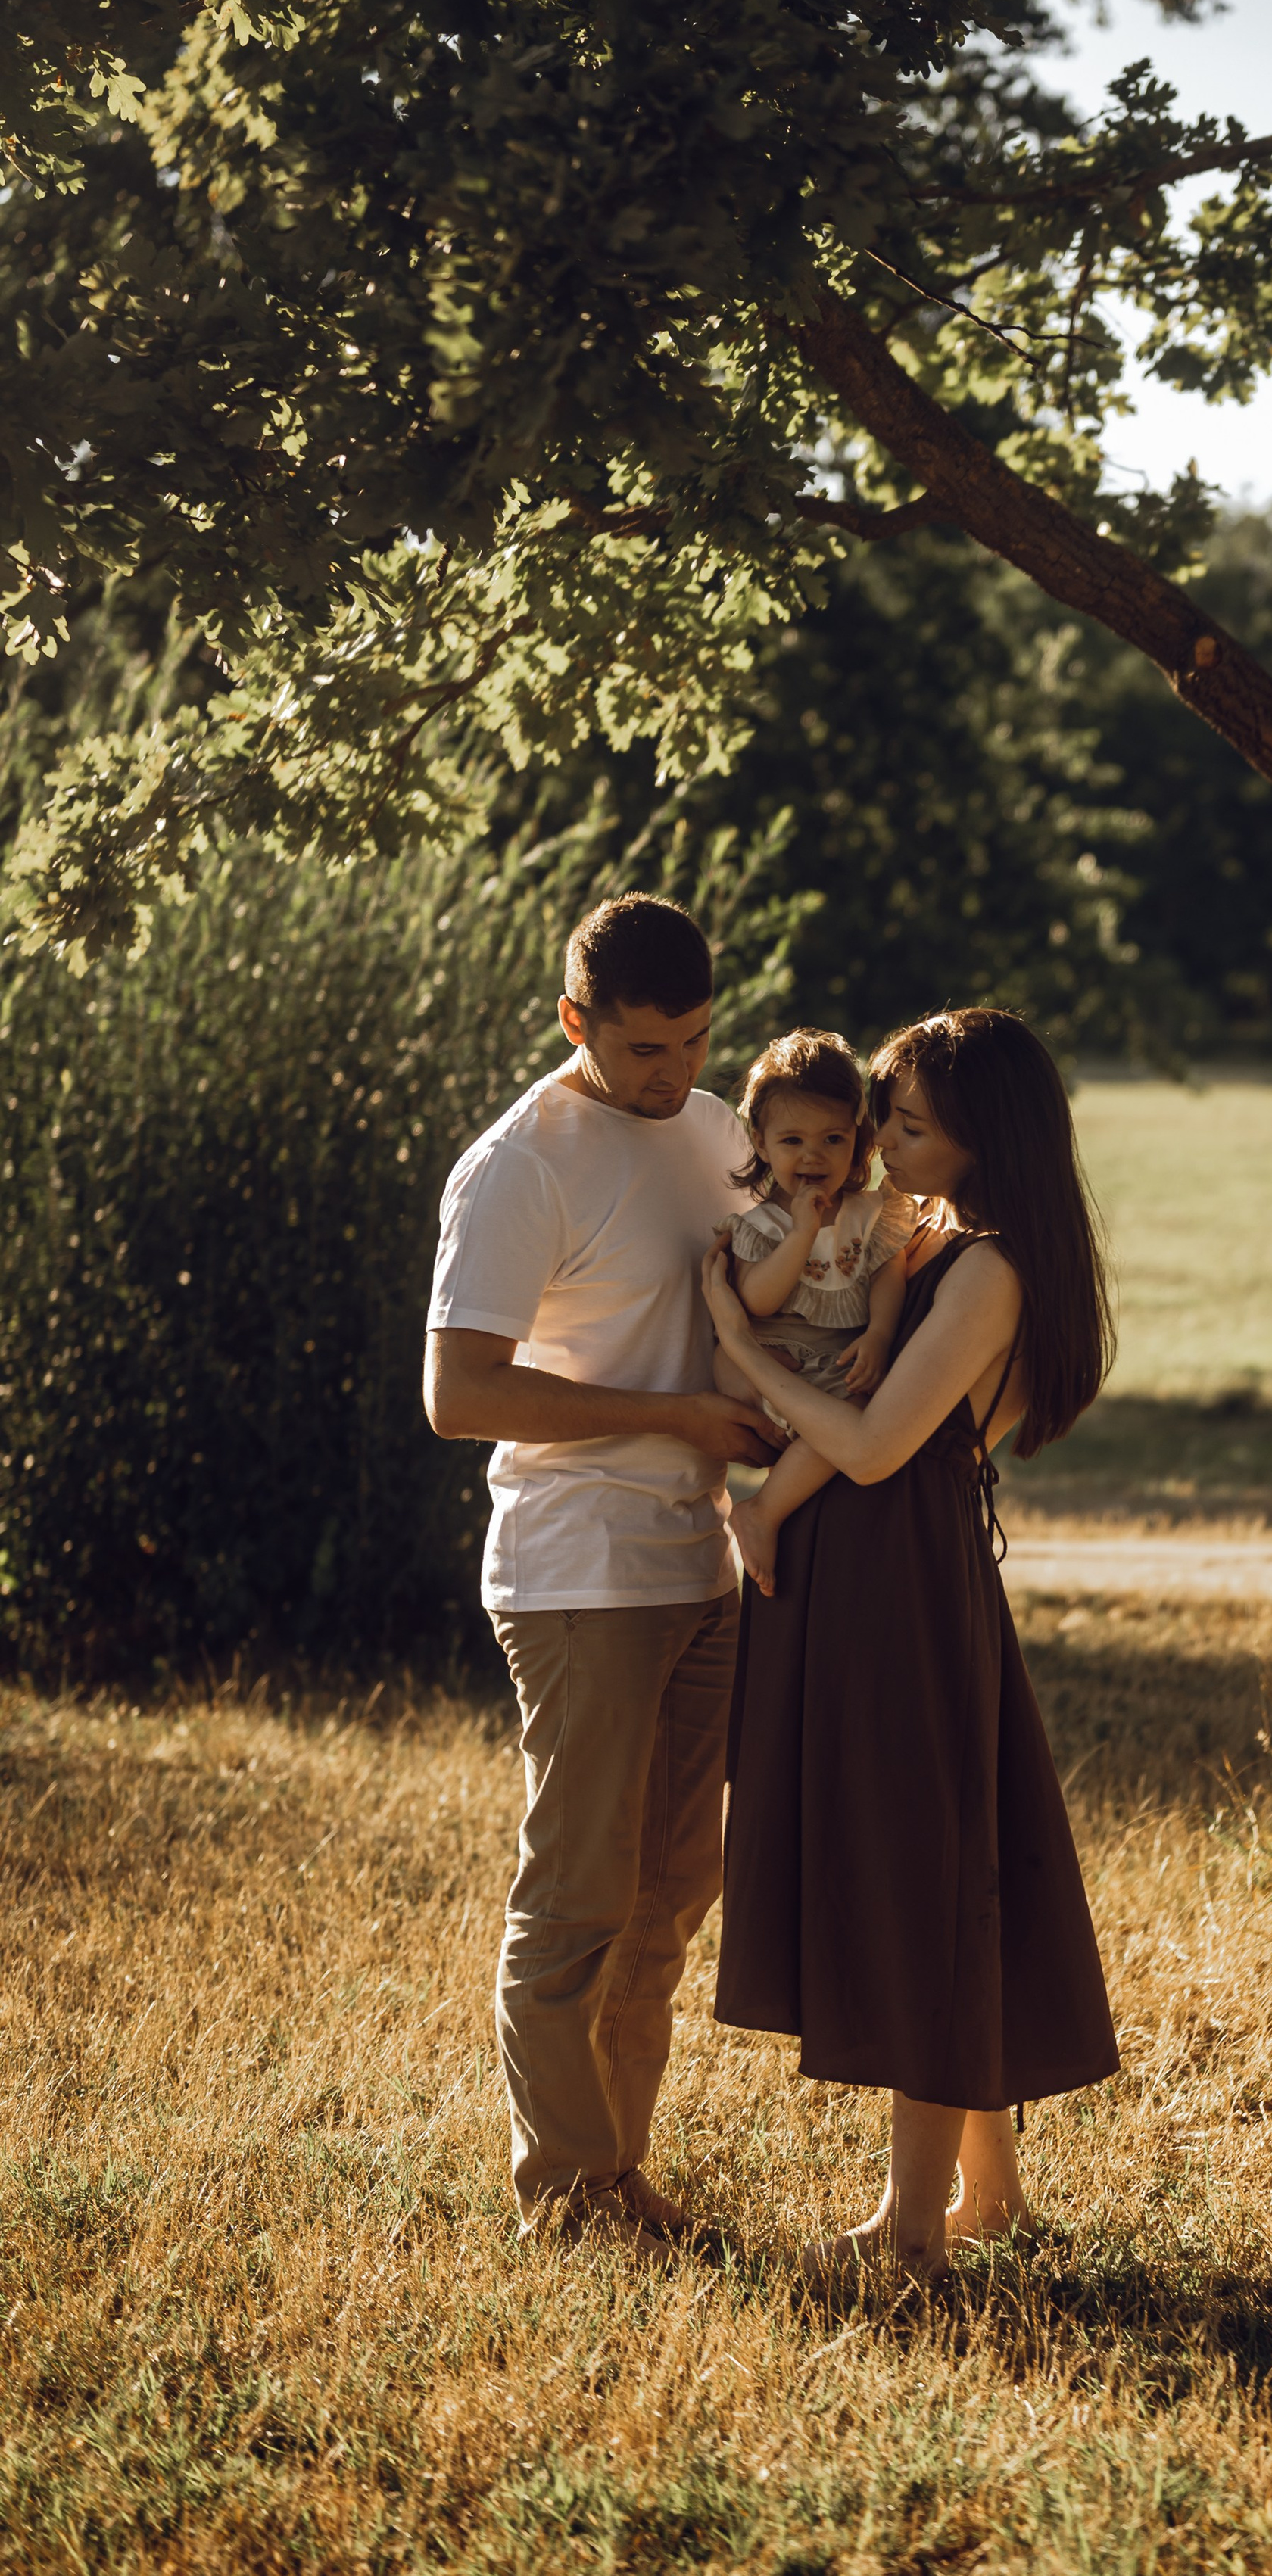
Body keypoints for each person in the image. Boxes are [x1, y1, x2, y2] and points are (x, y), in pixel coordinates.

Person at [702, 1006, 1121, 2283]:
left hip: (901, 1573)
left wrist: (735, 1352)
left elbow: (878, 1441)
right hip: (866, 1558)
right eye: (883, 1110)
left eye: (910, 1122)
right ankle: (987, 2186)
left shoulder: (988, 1270)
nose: (877, 1138)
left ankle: (910, 2222)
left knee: (922, 1877)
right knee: (948, 1857)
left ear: (984, 1141)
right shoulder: (933, 1239)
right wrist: (770, 1503)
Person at [422, 892, 781, 2249]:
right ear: (574, 1020)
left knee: (674, 1887)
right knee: (578, 1893)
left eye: (693, 1037)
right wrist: (677, 1418)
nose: (672, 1070)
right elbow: (458, 1393)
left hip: (698, 1561)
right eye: (641, 1046)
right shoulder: (520, 1164)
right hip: (577, 1571)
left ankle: (620, 2175)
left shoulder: (714, 1129)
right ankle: (568, 2193)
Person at [712, 1028, 915, 1599]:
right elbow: (758, 1301)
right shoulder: (761, 1226)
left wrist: (879, 1333)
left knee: (862, 1409)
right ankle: (763, 1512)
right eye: (793, 1140)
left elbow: (886, 1275)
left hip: (839, 1357)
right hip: (778, 1358)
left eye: (833, 1138)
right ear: (760, 1140)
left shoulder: (867, 1213)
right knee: (843, 1418)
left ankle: (772, 1509)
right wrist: (803, 1231)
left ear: (861, 1138)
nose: (813, 1156)